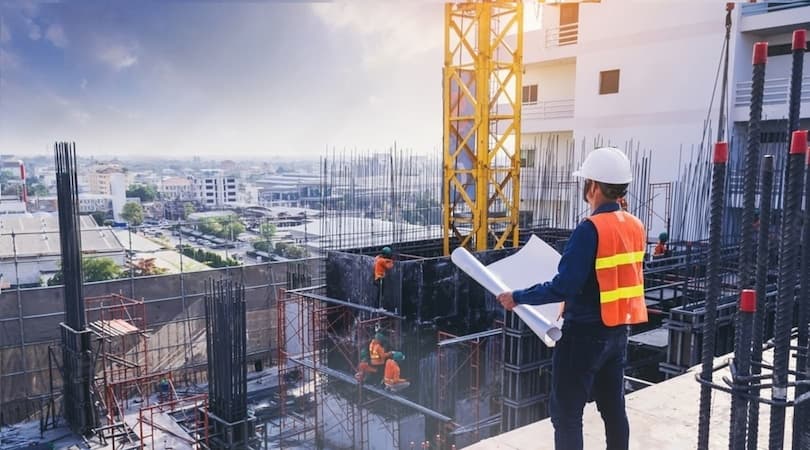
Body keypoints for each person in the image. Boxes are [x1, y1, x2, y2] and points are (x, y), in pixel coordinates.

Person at [496, 146, 648, 450]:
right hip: (617, 332)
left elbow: (564, 285)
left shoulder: (589, 229)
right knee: (613, 409)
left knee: (566, 415)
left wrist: (518, 296)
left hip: (583, 336)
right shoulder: (635, 225)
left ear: (592, 186)